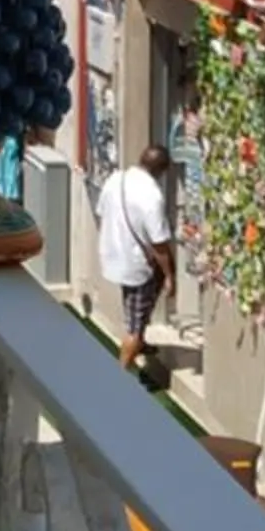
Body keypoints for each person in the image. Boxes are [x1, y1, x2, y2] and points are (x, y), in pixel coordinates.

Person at [95, 143, 176, 376]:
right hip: (138, 267)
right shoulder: (152, 196)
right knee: (134, 327)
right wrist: (171, 277)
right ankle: (121, 372)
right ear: (161, 171)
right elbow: (159, 244)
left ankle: (140, 339)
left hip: (114, 256)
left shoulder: (116, 179)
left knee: (134, 308)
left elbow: (101, 214)